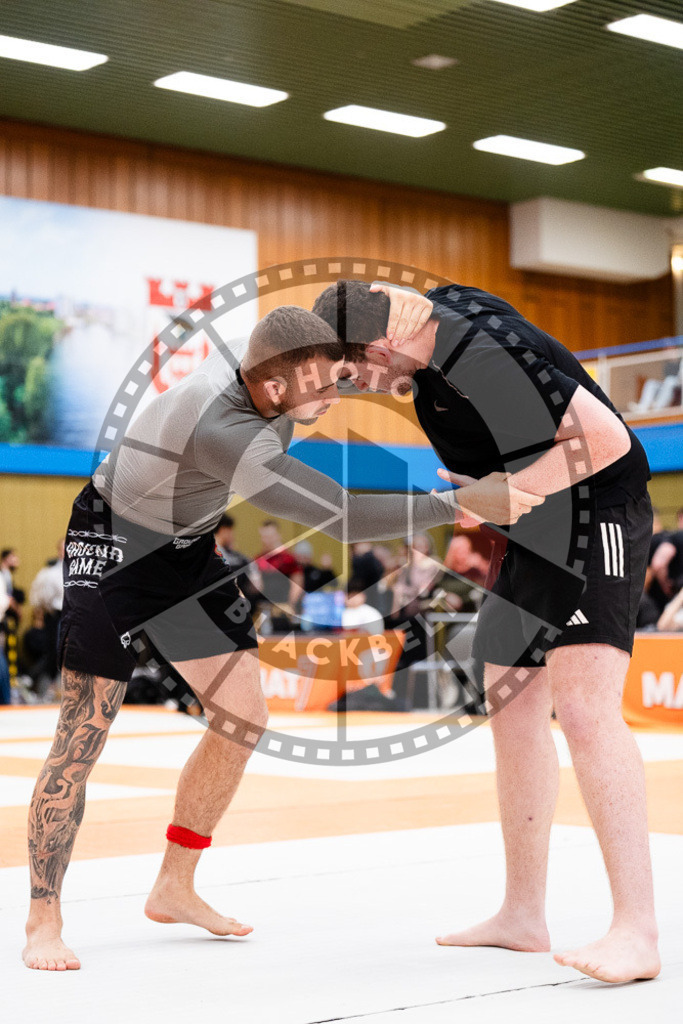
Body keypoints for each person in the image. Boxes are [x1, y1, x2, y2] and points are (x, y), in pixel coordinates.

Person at [23, 298, 542, 972]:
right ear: (273, 388)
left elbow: (335, 345)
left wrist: (398, 311)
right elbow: (341, 516)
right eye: (325, 389)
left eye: (337, 381)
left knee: (242, 715)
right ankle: (43, 918)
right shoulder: (226, 431)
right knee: (82, 732)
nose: (337, 398)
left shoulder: (284, 361)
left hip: (186, 544)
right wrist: (462, 503)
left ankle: (174, 885)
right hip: (114, 540)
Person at [313, 279, 660, 984]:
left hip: (597, 511)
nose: (358, 389)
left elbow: (605, 439)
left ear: (377, 347)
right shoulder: (426, 343)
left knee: (585, 707)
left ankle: (637, 930)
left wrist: (502, 493)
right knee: (510, 697)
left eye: (351, 374)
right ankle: (523, 914)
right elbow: (429, 295)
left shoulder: (480, 353)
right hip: (536, 525)